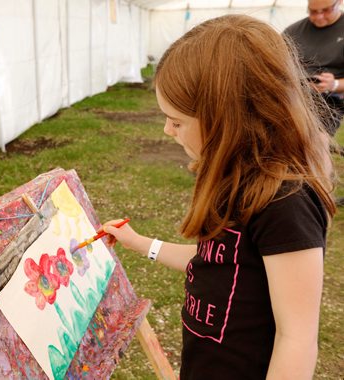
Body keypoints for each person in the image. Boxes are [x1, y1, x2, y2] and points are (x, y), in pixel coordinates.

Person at [101, 15, 336, 380]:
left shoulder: (286, 202)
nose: (167, 130)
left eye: (177, 121)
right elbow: (215, 261)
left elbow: (297, 339)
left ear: (229, 118)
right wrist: (140, 243)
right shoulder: (232, 178)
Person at [284, 0, 344, 136]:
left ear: (339, 2)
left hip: (328, 101)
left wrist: (334, 84)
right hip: (292, 94)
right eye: (313, 11)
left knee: (312, 136)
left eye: (326, 10)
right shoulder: (293, 31)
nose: (319, 17)